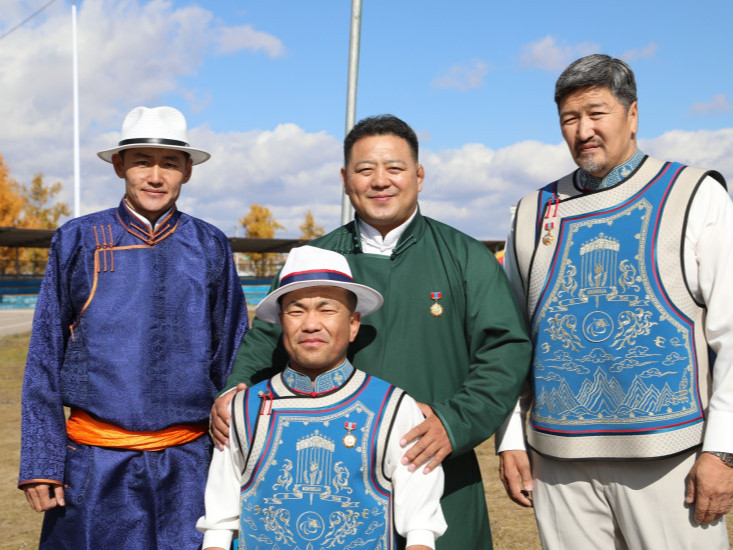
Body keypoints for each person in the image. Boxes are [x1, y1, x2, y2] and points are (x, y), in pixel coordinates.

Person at [210, 114, 533, 549]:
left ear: (418, 175)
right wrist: (235, 392)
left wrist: (453, 423)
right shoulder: (313, 259)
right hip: (333, 475)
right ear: (345, 179)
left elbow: (504, 352)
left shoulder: (465, 257)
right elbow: (265, 341)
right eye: (365, 170)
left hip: (435, 459)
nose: (380, 181)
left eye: (395, 168)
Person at [497, 54, 733, 549]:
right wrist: (511, 437)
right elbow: (509, 340)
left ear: (633, 115)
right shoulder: (529, 213)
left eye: (597, 112)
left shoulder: (694, 195)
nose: (583, 130)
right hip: (556, 464)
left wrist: (723, 451)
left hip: (672, 460)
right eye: (569, 118)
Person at [18, 106, 248, 549]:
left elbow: (234, 355)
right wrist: (42, 460)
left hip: (190, 464)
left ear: (188, 172)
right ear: (120, 166)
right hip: (93, 465)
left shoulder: (210, 244)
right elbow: (45, 352)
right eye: (142, 161)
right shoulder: (78, 239)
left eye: (170, 163)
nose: (156, 176)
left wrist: (238, 455)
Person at [197, 245, 447, 549]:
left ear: (353, 324)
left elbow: (420, 528)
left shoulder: (393, 408)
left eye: (327, 309)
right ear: (280, 322)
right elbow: (218, 526)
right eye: (296, 310)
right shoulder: (241, 410)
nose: (311, 324)